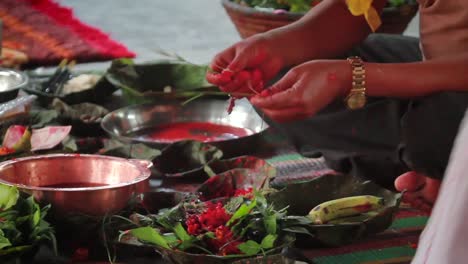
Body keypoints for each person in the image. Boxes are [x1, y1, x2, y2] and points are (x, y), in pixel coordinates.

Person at [206, 0, 468, 210]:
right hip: (434, 75)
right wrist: (275, 47)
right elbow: (352, 9)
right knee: (283, 75)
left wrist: (351, 77)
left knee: (442, 122)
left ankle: (431, 163)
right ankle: (433, 164)